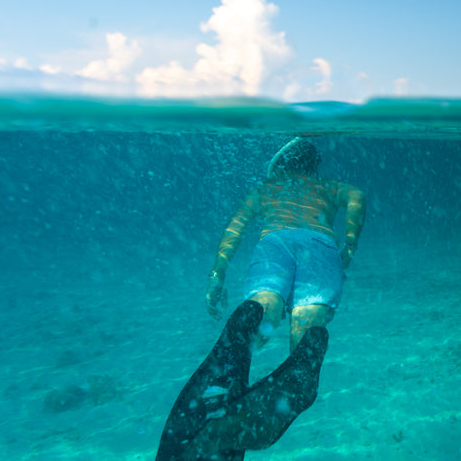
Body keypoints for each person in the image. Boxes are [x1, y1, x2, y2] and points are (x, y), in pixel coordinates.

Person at [157, 137, 366, 460]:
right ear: (313, 164)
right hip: (319, 243)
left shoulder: (266, 190)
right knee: (305, 333)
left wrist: (217, 275)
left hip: (275, 242)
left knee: (264, 308)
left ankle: (248, 326)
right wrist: (350, 243)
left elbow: (235, 228)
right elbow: (357, 196)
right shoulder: (327, 186)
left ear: (281, 165)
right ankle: (293, 377)